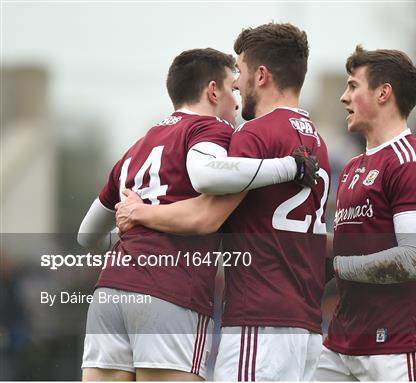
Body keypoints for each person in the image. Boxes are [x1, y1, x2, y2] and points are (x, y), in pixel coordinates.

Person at [77, 48, 318, 381]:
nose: (237, 99)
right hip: (170, 289)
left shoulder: (136, 147)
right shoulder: (211, 130)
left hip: (111, 289)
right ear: (212, 91)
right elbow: (206, 176)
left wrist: (134, 237)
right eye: (233, 88)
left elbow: (86, 235)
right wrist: (290, 166)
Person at [314, 46, 416, 381]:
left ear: (383, 92)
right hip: (343, 341)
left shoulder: (411, 162)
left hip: (398, 345)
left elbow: (414, 258)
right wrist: (301, 245)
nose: (344, 97)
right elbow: (349, 245)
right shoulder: (355, 166)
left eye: (353, 86)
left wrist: (337, 266)